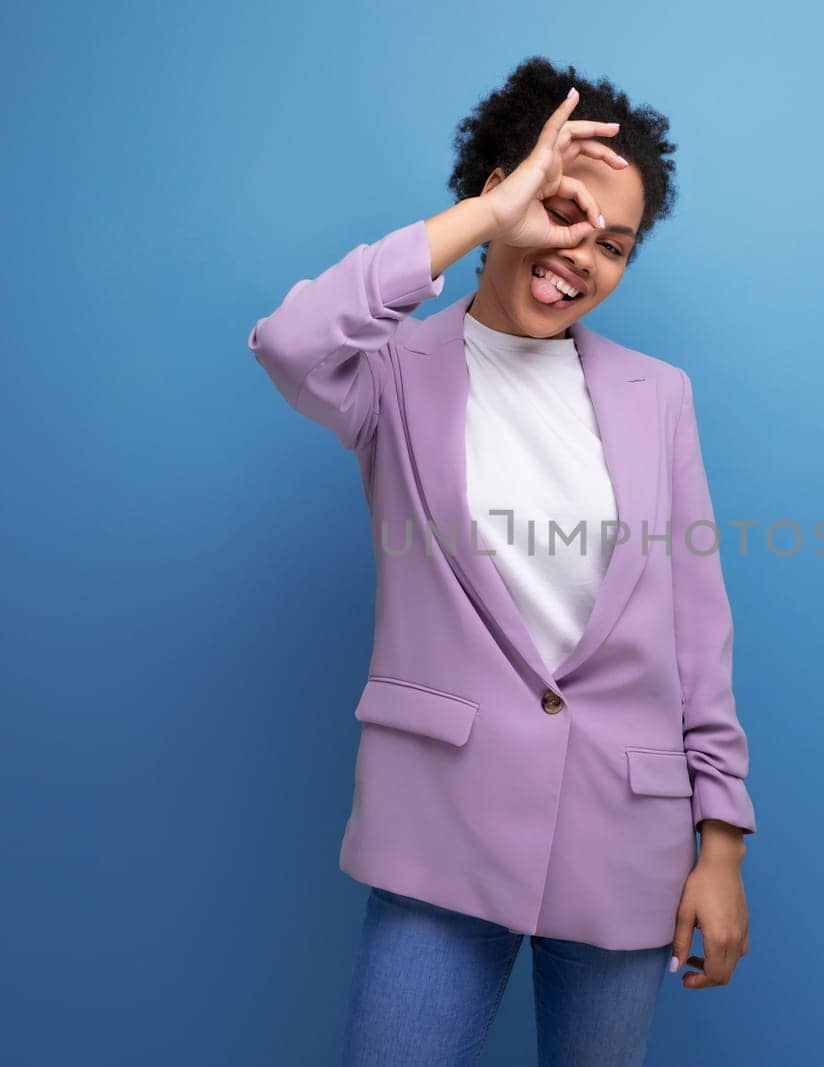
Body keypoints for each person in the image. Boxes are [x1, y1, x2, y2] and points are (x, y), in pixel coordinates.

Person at [246, 57, 757, 1065]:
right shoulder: (390, 377)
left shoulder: (659, 396)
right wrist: (488, 218)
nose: (582, 255)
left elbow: (699, 627)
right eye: (559, 212)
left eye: (613, 244)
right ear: (500, 190)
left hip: (628, 832)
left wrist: (723, 844)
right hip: (442, 827)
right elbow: (288, 341)